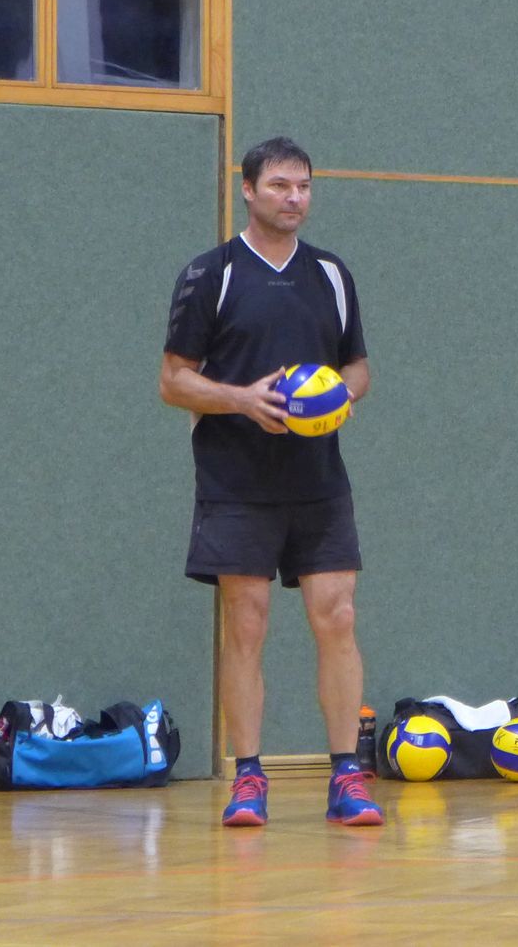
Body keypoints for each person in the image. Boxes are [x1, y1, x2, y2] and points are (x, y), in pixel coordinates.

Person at [159, 137, 382, 827]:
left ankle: (346, 776)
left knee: (337, 616)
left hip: (319, 481)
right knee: (247, 623)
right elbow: (173, 380)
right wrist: (243, 399)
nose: (295, 197)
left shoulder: (332, 275)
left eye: (304, 186)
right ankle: (249, 776)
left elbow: (358, 370)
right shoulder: (212, 274)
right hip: (236, 481)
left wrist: (337, 398)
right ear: (248, 190)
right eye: (281, 185)